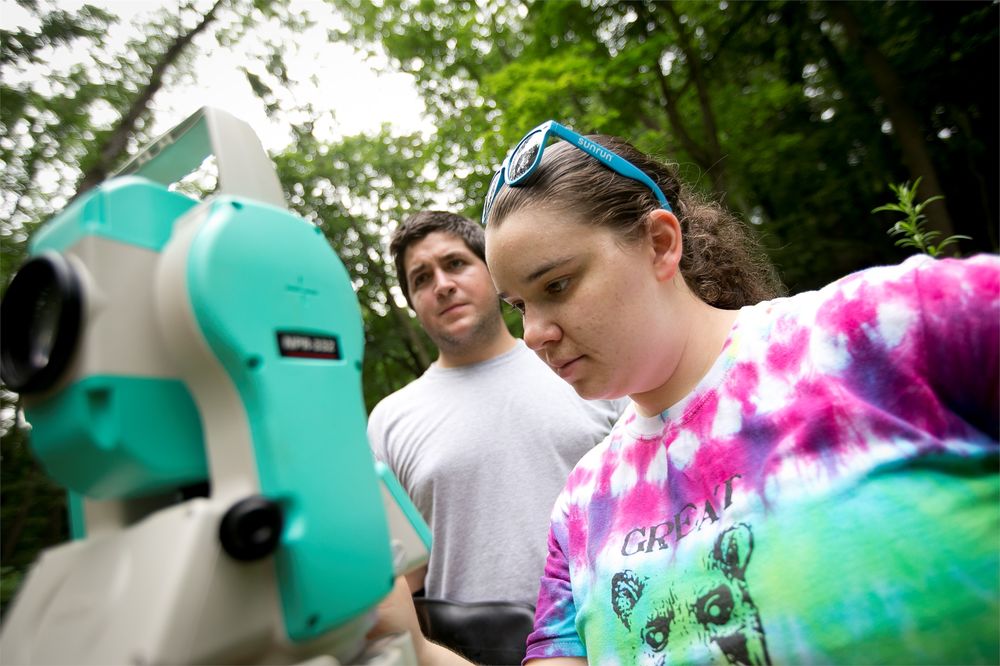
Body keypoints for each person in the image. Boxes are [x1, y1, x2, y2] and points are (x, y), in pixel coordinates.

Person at [378, 121, 999, 665]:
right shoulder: (581, 506)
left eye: (558, 285)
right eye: (520, 305)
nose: (535, 332)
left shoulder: (878, 332)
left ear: (659, 244)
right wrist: (420, 653)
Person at [367, 210, 624, 615]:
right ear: (413, 304)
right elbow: (402, 570)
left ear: (492, 272)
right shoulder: (389, 420)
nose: (443, 285)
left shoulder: (580, 359)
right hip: (469, 653)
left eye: (455, 264)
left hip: (620, 627)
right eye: (421, 279)